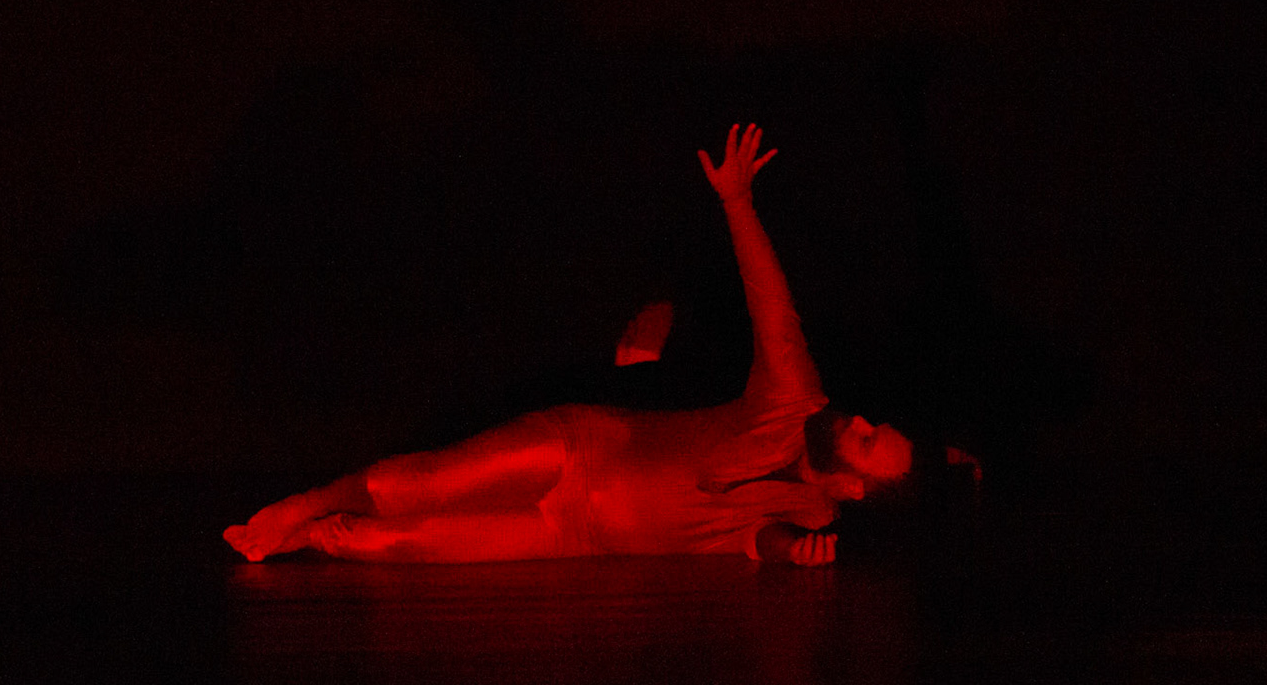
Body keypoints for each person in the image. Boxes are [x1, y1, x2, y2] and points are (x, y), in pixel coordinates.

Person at [223, 124, 917, 567]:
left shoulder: (812, 511)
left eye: (865, 440)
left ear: (850, 487)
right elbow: (773, 304)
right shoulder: (795, 399)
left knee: (399, 541)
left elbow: (746, 537)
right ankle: (307, 502)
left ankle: (310, 535)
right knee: (409, 487)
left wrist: (793, 552)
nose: (857, 420)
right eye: (872, 424)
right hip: (584, 448)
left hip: (573, 535)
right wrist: (738, 202)